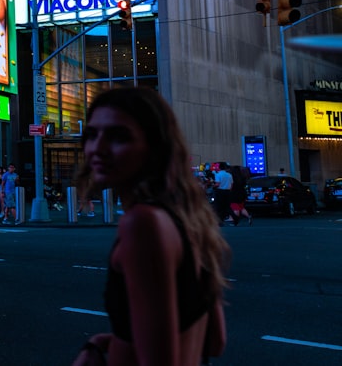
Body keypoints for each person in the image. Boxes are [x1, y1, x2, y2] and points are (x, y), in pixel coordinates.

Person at [72, 88, 228, 366]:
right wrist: (102, 342)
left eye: (119, 136)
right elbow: (215, 342)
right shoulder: (189, 218)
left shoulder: (142, 224)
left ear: (155, 147)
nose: (98, 148)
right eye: (93, 134)